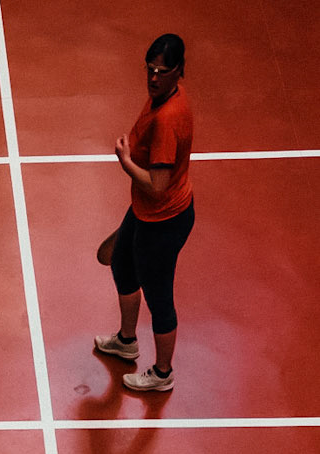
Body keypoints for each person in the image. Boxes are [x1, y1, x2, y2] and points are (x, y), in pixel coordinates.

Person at [94, 33, 194, 393]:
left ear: (179, 70)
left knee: (158, 296)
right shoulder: (166, 95)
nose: (153, 77)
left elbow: (158, 185)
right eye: (150, 69)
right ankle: (126, 341)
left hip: (164, 219)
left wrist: (125, 162)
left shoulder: (167, 118)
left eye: (162, 72)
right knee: (122, 263)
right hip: (146, 211)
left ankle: (163, 374)